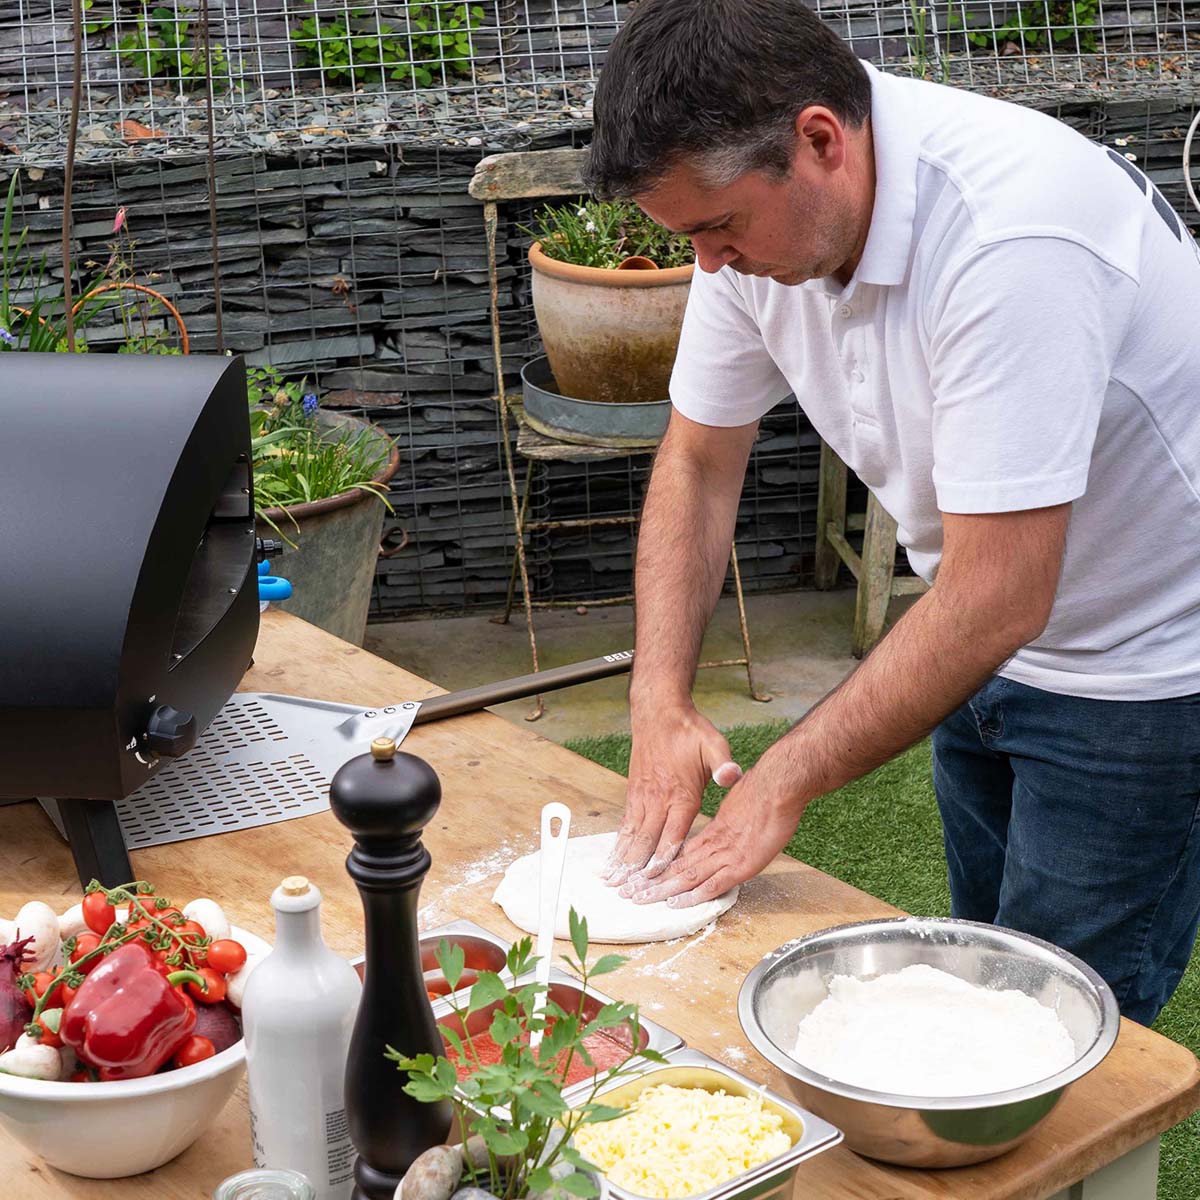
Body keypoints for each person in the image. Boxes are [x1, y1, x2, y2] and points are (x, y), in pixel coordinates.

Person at [585, 0, 1200, 1025]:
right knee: (989, 977)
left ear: (821, 140)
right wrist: (659, 698)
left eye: (719, 228)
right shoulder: (755, 216)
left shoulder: (1014, 235)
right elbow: (696, 463)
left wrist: (781, 777)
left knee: (1065, 1036)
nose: (707, 265)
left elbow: (1004, 597)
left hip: (1145, 660)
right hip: (969, 623)